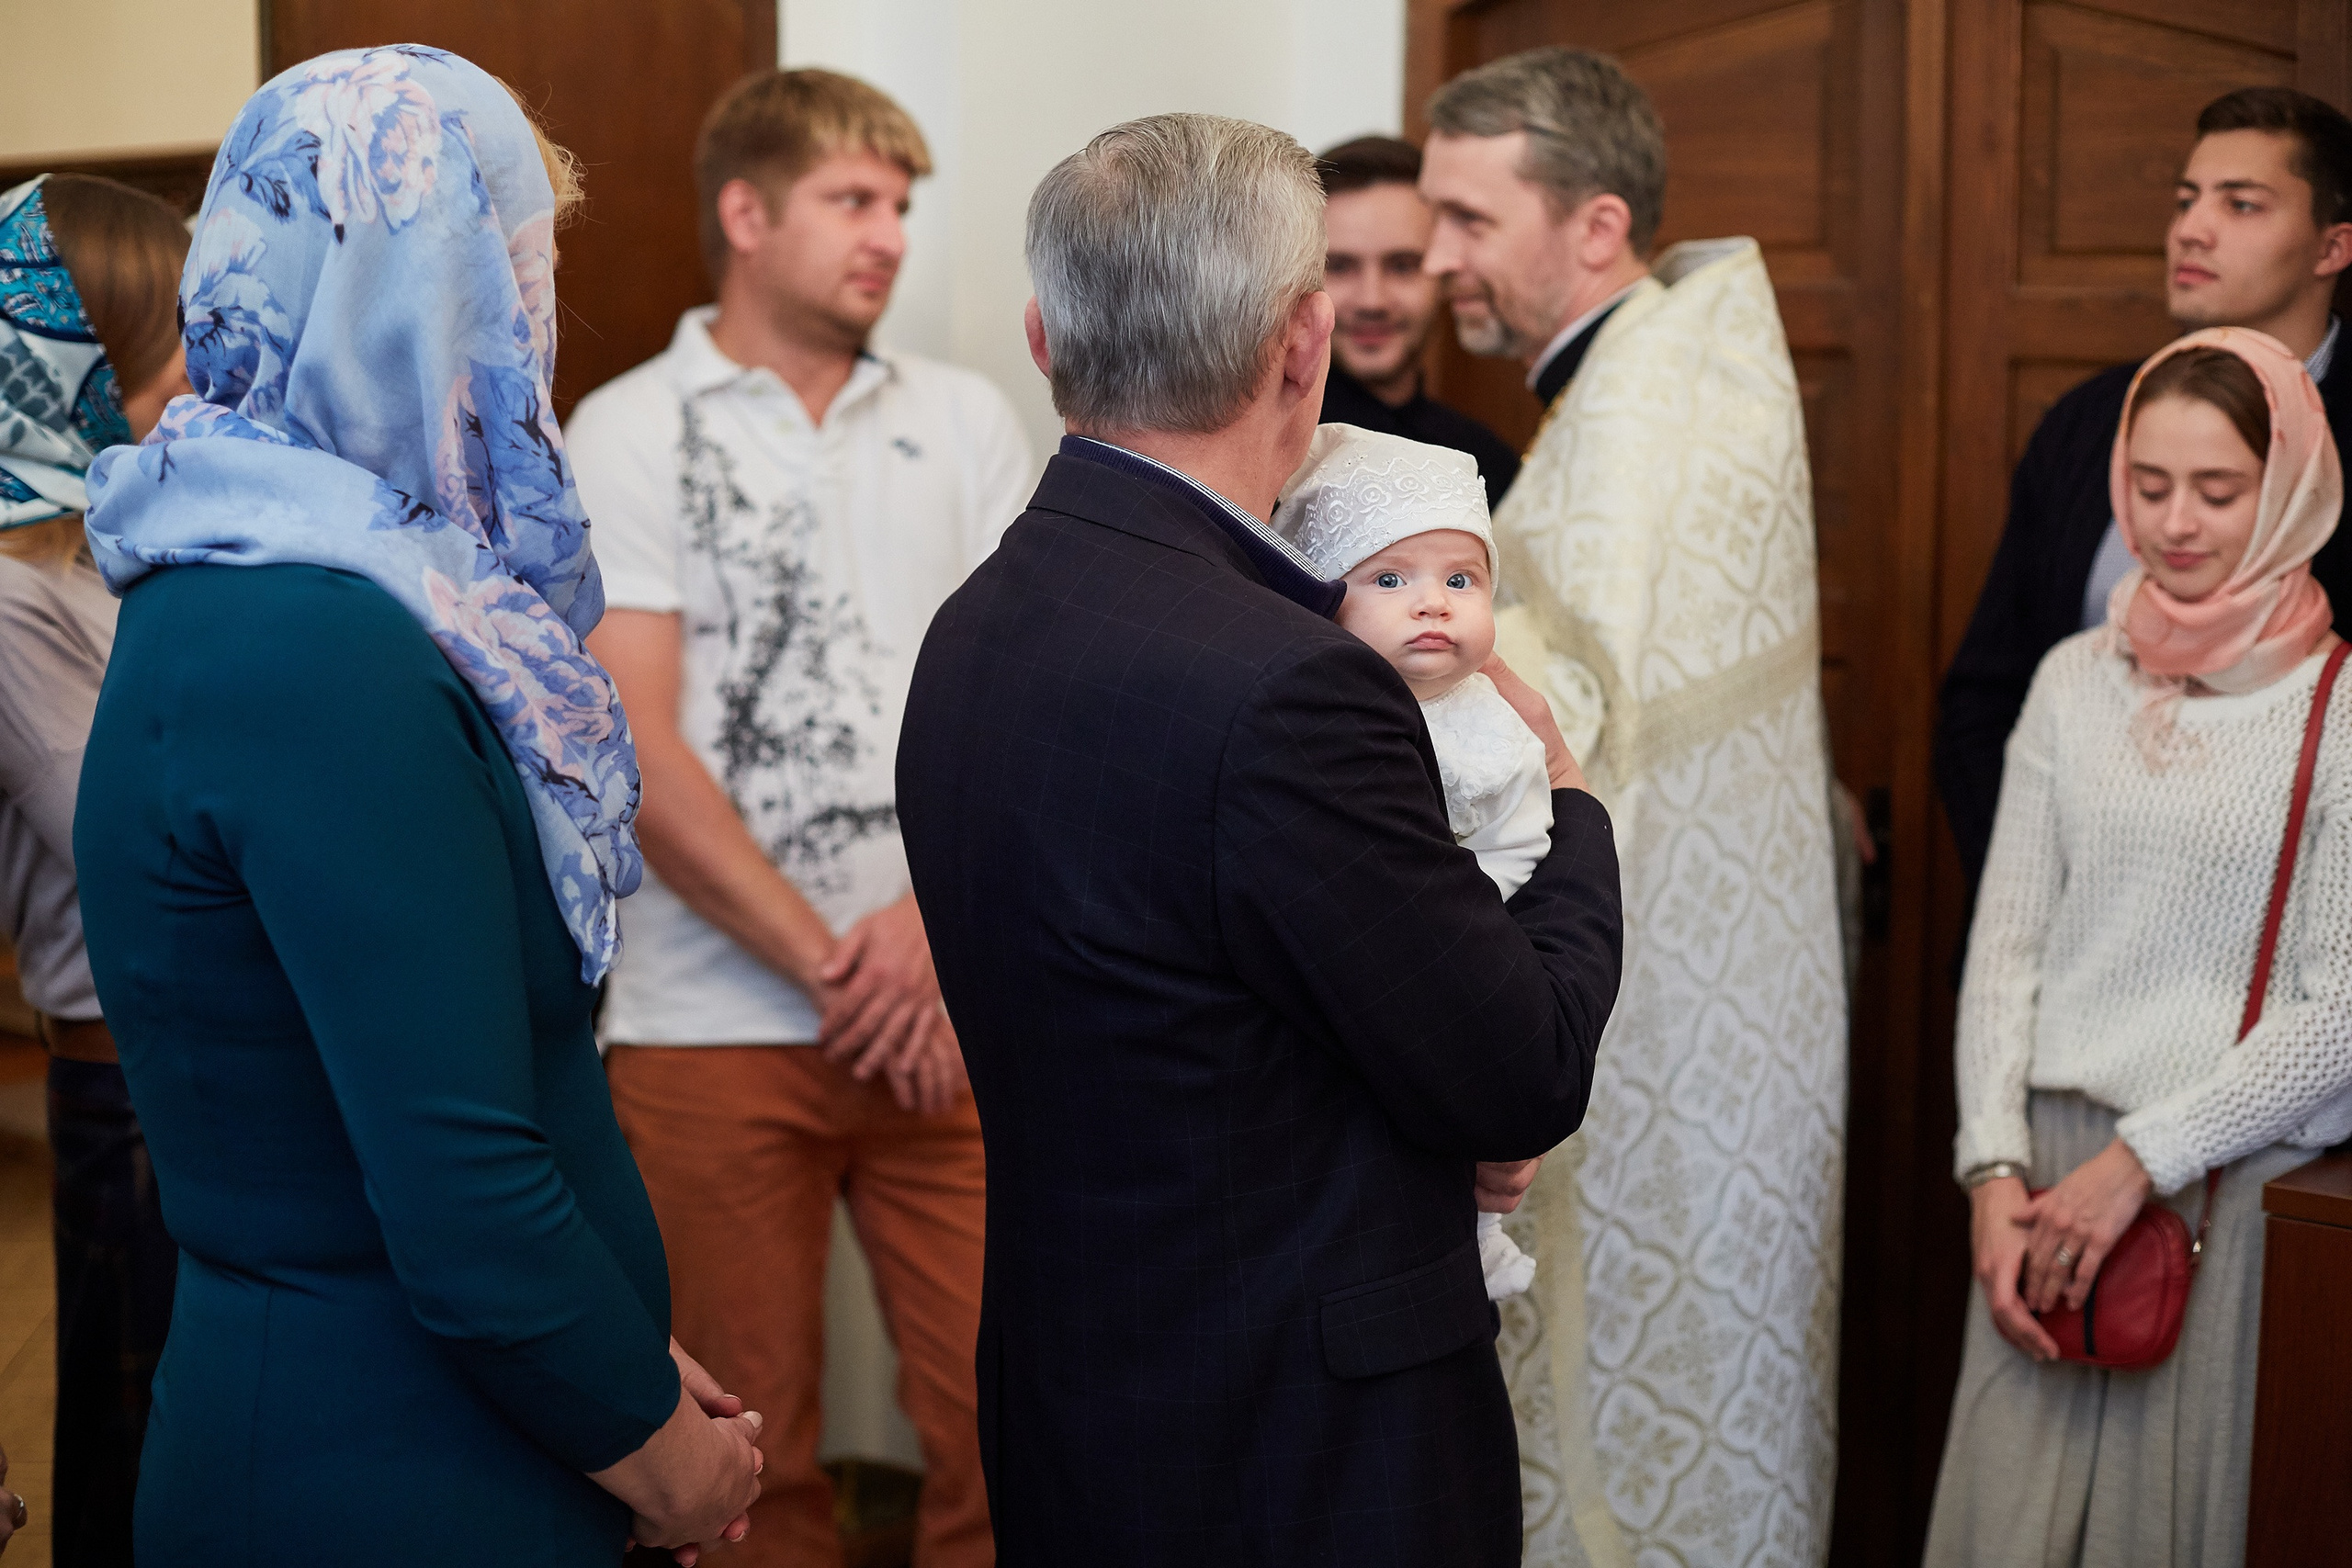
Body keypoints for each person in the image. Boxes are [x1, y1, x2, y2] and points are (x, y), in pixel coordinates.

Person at [897, 110, 1624, 1566]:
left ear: (1044, 336)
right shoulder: (1292, 685)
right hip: (1301, 1447)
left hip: (1078, 1394)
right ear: (1306, 345)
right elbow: (1517, 1066)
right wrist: (1573, 801)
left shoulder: (974, 625)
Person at [72, 48, 763, 1564]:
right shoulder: (317, 643)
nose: (534, 331)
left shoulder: (294, 577)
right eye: (512, 279)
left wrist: (623, 1374)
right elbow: (461, 1183)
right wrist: (670, 1464)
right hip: (387, 1469)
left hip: (468, 1419)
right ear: (414, 295)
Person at [570, 67, 1028, 1568]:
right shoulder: (626, 431)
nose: (889, 235)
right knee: (740, 1468)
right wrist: (845, 960)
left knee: (1013, 1425)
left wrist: (928, 939)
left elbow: (1026, 707)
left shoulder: (968, 423)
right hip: (708, 1026)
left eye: (902, 205)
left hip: (953, 1009)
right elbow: (634, 737)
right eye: (853, 199)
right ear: (747, 214)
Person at [1419, 47, 1849, 1566]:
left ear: (1593, 226)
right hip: (1717, 1006)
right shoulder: (1653, 381)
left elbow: (1553, 712)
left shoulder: (1645, 409)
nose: (1438, 257)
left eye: (1471, 218)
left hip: (1678, 1022)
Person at [1926, 328, 2352, 1565]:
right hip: (2045, 1180)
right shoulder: (2071, 677)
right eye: (2149, 484)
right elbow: (2007, 942)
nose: (2175, 521)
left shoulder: (2335, 709)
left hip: (2219, 1181)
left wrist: (2140, 1161)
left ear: (2290, 489)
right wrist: (1993, 1173)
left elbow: (2338, 1006)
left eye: (2219, 491)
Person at [1938, 87, 2352, 894]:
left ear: (2332, 247)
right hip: (2066, 922)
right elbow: (1983, 701)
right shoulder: (2091, 424)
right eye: (2187, 199)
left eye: (2242, 204)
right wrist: (2043, 891)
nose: (2193, 228)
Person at [0, 169, 188, 1568]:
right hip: (128, 1084)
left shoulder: (111, 558)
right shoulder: (15, 589)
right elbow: (134, 835)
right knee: (139, 1460)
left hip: (181, 1069)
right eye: (183, 334)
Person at [1278, 422, 1550, 1299]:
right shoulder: (1314, 723)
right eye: (1391, 579)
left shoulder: (1494, 724)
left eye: (1459, 580)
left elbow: (1526, 836)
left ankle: (1478, 1240)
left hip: (1474, 961)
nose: (1431, 603)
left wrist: (1473, 905)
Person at [1316, 136, 1521, 508]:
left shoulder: (1486, 467)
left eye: (1402, 265)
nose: (1371, 300)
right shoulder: (1260, 458)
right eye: (1340, 267)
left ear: (1444, 270)